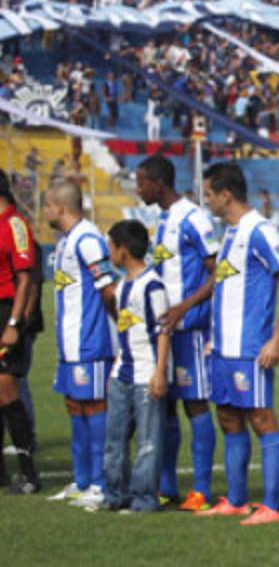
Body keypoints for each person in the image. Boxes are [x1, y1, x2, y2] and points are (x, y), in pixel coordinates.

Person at [191, 162, 279, 525]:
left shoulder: (259, 231)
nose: (206, 201)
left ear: (226, 195)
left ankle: (272, 506)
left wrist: (277, 338)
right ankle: (236, 500)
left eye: (209, 195)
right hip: (223, 349)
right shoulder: (230, 233)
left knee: (261, 419)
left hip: (251, 348)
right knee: (228, 418)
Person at [134, 155, 218, 512]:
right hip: (165, 331)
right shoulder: (164, 219)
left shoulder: (193, 217)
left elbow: (218, 271)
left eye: (141, 183)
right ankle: (166, 485)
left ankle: (201, 490)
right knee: (165, 405)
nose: (138, 189)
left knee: (195, 404)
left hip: (190, 329)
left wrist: (185, 306)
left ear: (159, 183)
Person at [44, 180, 116, 508]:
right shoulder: (65, 242)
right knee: (74, 405)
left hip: (91, 341)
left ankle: (100, 484)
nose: (44, 211)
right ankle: (82, 480)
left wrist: (118, 331)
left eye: (47, 205)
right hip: (69, 344)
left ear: (60, 207)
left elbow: (107, 289)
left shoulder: (88, 240)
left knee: (94, 406)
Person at [100, 220, 170, 513]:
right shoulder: (122, 286)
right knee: (114, 439)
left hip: (145, 374)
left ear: (123, 250)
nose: (109, 253)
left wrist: (159, 373)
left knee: (147, 442)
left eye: (111, 247)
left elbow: (163, 330)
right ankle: (115, 495)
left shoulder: (152, 285)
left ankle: (144, 499)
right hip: (122, 373)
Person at [0, 169, 39, 494]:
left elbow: (26, 278)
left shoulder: (15, 225)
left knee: (7, 392)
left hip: (6, 313)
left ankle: (29, 474)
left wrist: (14, 325)